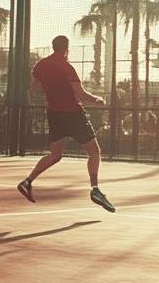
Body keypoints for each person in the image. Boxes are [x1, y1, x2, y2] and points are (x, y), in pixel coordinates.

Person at [17, 35, 116, 212]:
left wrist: (50, 93)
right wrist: (97, 100)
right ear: (66, 48)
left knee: (55, 155)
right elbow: (81, 93)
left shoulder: (40, 65)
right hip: (72, 114)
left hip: (54, 114)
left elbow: (34, 87)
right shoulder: (66, 66)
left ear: (53, 46)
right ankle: (95, 189)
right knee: (94, 151)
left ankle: (28, 181)